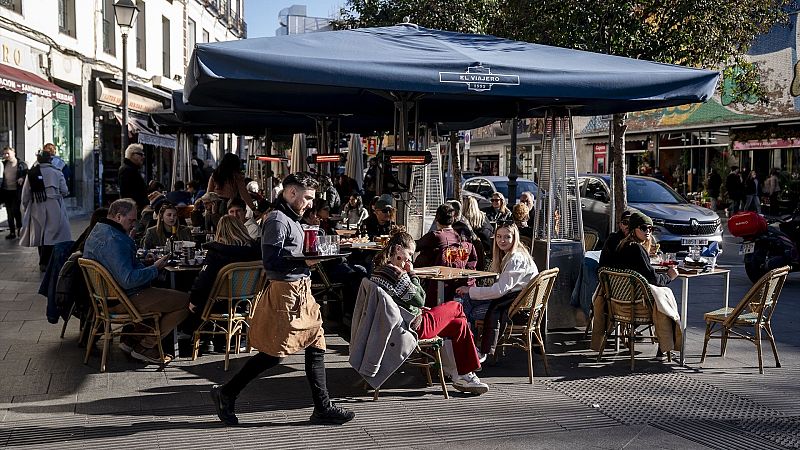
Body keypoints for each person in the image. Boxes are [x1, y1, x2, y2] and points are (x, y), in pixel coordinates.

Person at [211, 172, 354, 427]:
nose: (310, 203)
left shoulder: (294, 220)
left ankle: (323, 407)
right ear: (291, 193)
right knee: (275, 353)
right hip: (286, 293)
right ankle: (227, 392)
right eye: (307, 197)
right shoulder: (277, 219)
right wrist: (308, 260)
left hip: (302, 290)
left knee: (317, 345)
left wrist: (313, 255)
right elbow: (271, 261)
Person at [371, 230, 488, 394]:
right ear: (398, 249)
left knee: (459, 324)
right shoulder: (397, 273)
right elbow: (420, 299)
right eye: (409, 253)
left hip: (398, 323)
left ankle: (464, 374)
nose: (410, 259)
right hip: (413, 327)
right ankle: (466, 365)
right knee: (457, 307)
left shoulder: (379, 270)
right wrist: (412, 273)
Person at [82, 198, 190, 364]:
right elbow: (128, 280)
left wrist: (144, 264)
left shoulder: (98, 231)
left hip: (106, 298)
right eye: (131, 220)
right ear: (118, 217)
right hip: (125, 300)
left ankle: (130, 340)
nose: (134, 225)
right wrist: (154, 268)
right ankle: (146, 346)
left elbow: (119, 268)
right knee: (187, 302)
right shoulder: (115, 240)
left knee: (165, 297)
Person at [455, 222, 538, 359]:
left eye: (507, 237)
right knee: (464, 301)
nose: (502, 240)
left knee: (468, 309)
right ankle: (469, 349)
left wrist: (470, 290)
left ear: (514, 238)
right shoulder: (517, 254)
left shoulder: (515, 259)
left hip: (517, 310)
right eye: (499, 236)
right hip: (513, 302)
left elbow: (499, 291)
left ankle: (473, 352)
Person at [187, 215, 261, 322]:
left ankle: (187, 333)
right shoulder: (256, 253)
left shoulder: (217, 254)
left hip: (217, 304)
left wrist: (194, 300)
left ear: (220, 232)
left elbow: (204, 281)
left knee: (188, 300)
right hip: (246, 303)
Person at [415, 204, 477, 305]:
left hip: (435, 286)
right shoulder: (457, 236)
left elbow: (415, 246)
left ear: (436, 219)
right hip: (454, 285)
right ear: (453, 219)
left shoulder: (436, 236)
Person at [20, 151, 72, 272]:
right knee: (53, 234)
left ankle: (42, 261)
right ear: (50, 160)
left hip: (37, 206)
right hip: (54, 206)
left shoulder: (32, 173)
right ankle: (49, 261)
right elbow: (64, 191)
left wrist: (26, 207)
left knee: (40, 234)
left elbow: (25, 195)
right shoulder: (57, 172)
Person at [604, 211, 678, 286]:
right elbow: (653, 279)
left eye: (650, 228)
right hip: (634, 294)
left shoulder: (623, 245)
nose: (648, 231)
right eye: (643, 228)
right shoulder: (636, 248)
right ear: (633, 230)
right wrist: (669, 276)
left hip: (617, 291)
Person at [1, 147, 28, 239]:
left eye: (8, 153)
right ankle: (12, 232)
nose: (6, 155)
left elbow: (27, 174)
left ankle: (20, 230)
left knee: (16, 210)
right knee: (9, 212)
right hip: (6, 191)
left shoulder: (21, 164)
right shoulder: (4, 164)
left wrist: (22, 178)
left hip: (16, 191)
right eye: (4, 154)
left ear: (14, 153)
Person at [461, 196, 493, 269]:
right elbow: (489, 233)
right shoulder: (483, 218)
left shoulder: (462, 219)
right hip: (483, 251)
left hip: (466, 252)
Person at [118, 143, 148, 210]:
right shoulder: (127, 170)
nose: (143, 157)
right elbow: (127, 193)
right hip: (132, 209)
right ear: (132, 155)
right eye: (140, 154)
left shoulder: (132, 169)